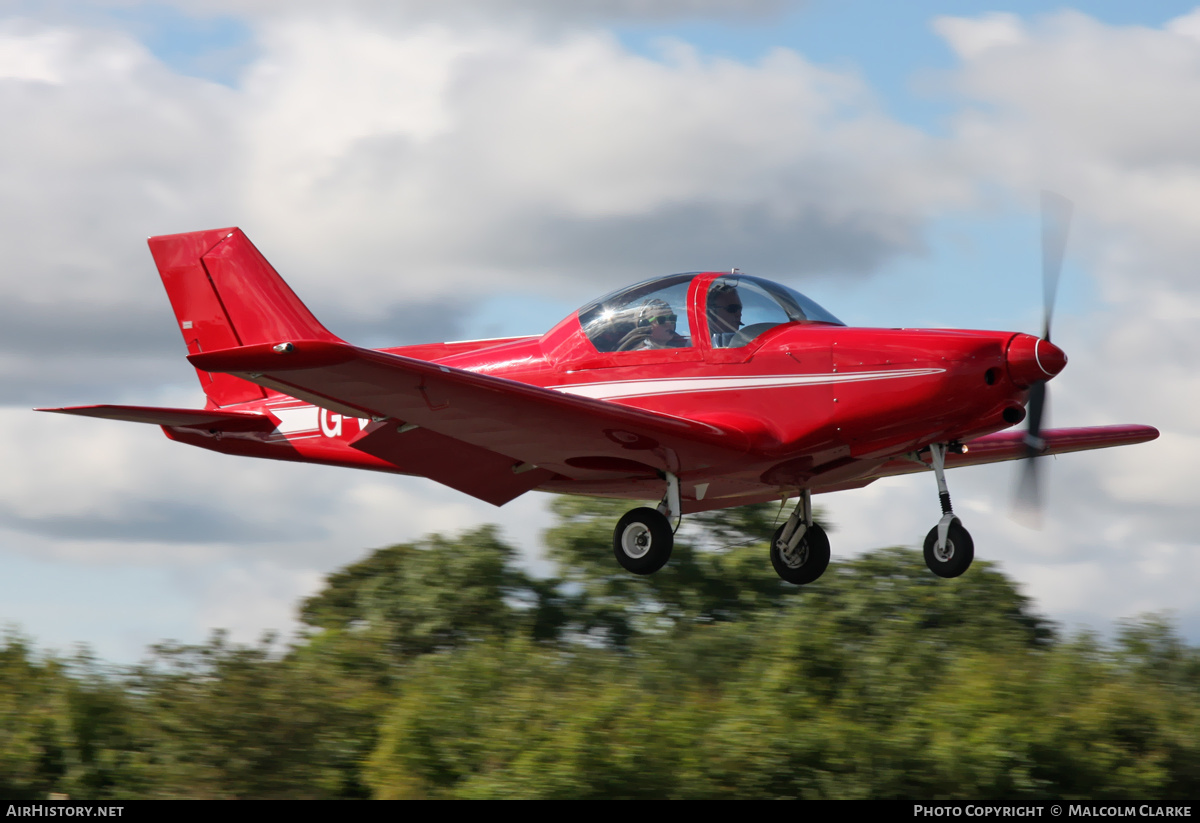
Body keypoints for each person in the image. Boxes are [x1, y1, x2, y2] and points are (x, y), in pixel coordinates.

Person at [617, 298, 690, 350]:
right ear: (645, 325)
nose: (669, 324)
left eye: (672, 318)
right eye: (661, 320)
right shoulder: (642, 355)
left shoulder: (685, 346)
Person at [707, 282, 744, 347]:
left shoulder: (746, 344)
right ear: (711, 313)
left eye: (740, 309)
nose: (739, 314)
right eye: (732, 308)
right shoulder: (692, 346)